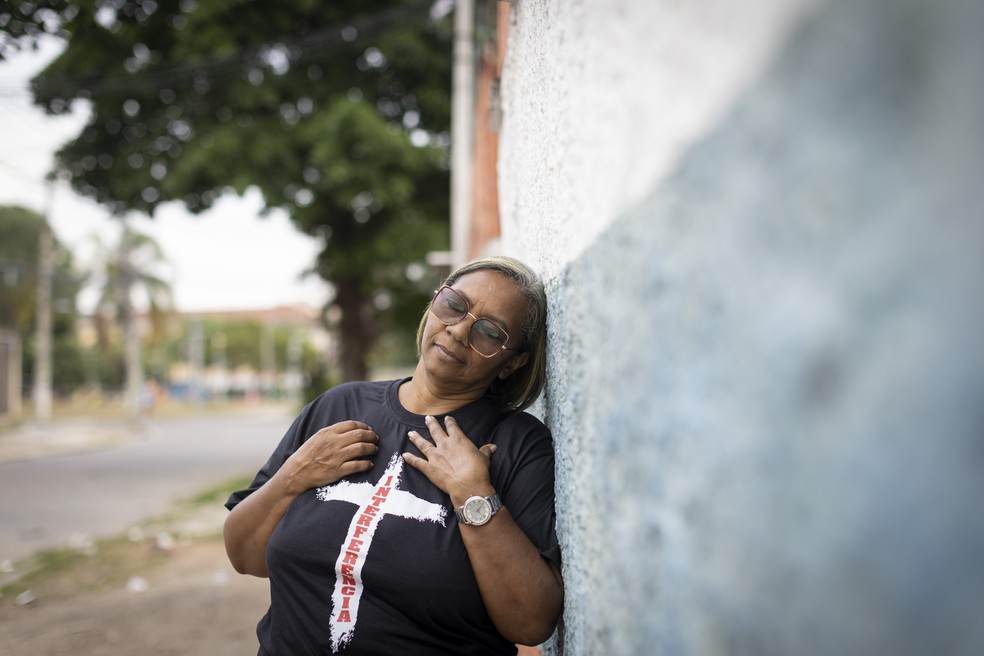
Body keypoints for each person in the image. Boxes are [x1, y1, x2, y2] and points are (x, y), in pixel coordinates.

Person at [224, 256, 564, 655]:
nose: (458, 331)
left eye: (490, 332)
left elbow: (530, 623)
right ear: (434, 303)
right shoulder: (339, 405)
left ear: (513, 363)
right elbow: (245, 555)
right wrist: (295, 473)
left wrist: (473, 494)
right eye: (454, 305)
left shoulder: (515, 444)